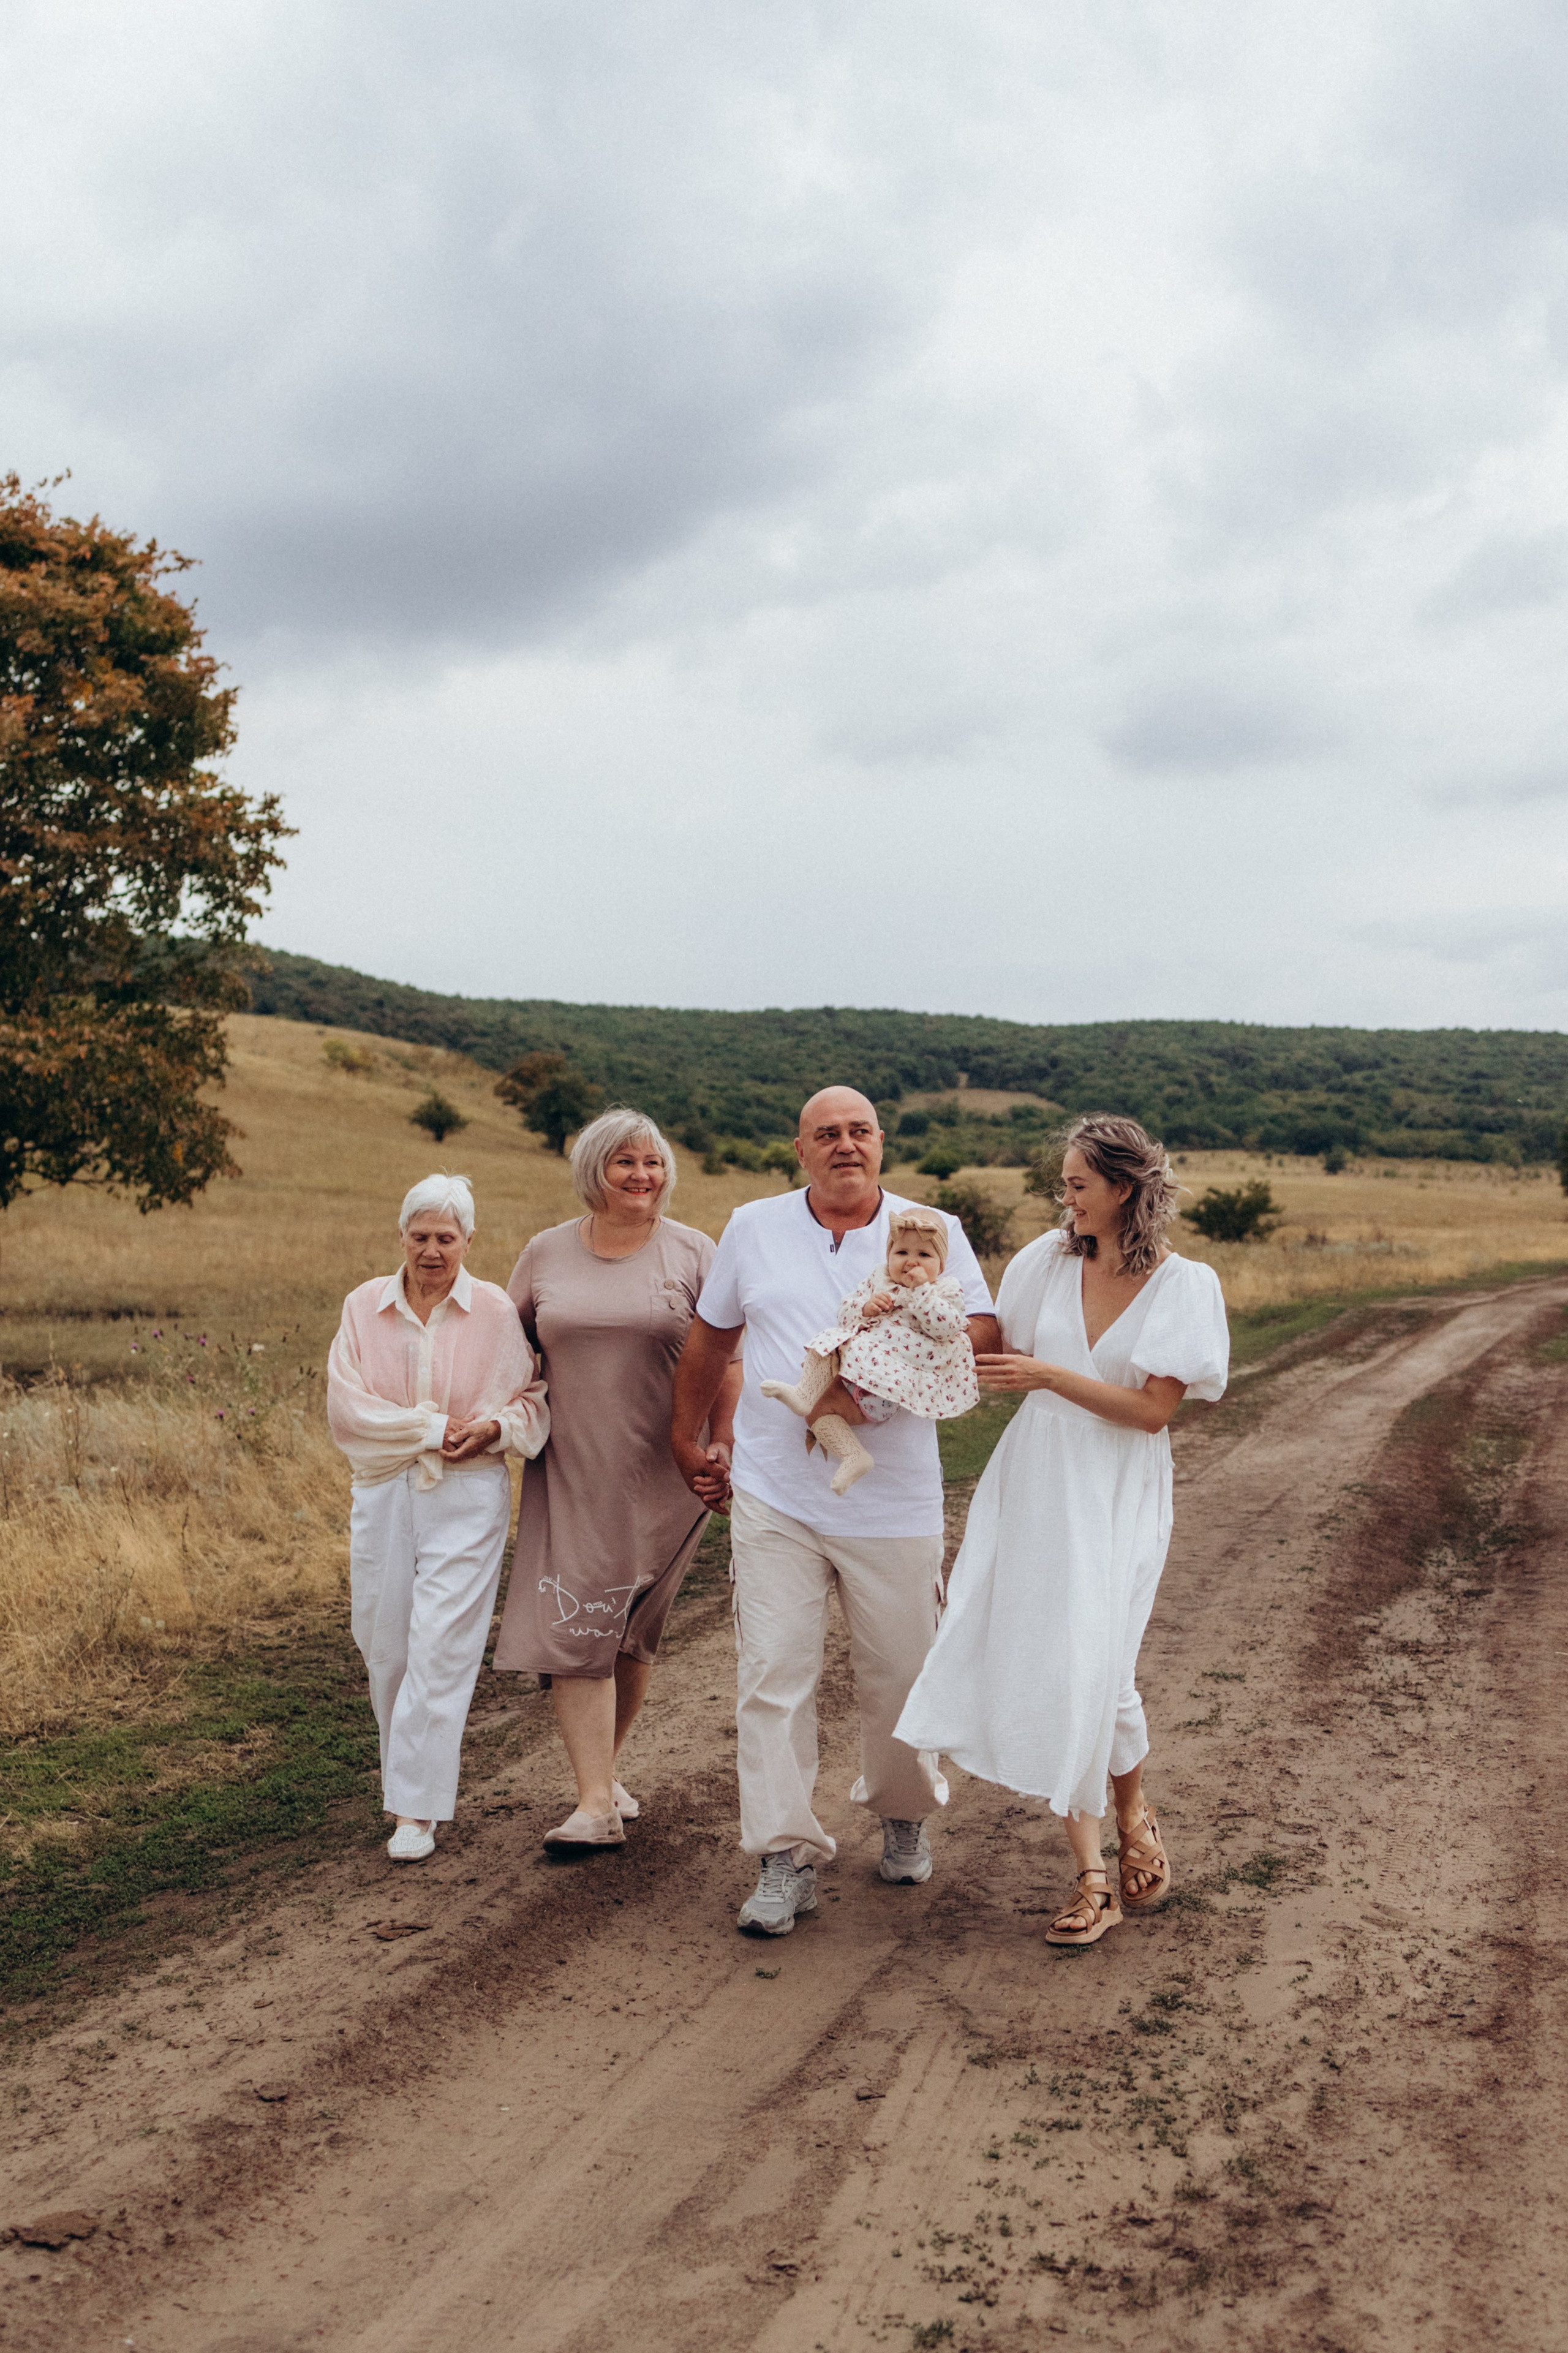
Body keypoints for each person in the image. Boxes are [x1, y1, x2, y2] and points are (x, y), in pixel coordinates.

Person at [894, 1115, 1229, 1946]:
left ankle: (1131, 1808)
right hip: (1035, 1477)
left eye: (1079, 1184)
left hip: (1116, 1484)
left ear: (1122, 1189)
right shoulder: (1042, 1263)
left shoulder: (1184, 1285)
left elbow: (1153, 1411)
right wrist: (903, 1313)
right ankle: (1090, 1878)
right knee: (1056, 1659)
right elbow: (989, 1348)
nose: (1065, 1197)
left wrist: (1049, 1374)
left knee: (1103, 1667)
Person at [671, 1087, 999, 1936]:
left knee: (900, 1673)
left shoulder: (934, 1227)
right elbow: (713, 1336)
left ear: (881, 1144)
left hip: (892, 1499)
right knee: (772, 1672)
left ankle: (902, 1813)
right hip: (776, 1491)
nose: (844, 1145)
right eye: (827, 1135)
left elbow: (984, 1331)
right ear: (802, 1149)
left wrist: (883, 1384)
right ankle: (784, 1856)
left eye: (858, 1132)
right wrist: (688, 1440)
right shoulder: (753, 1225)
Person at [492, 1108, 741, 1851]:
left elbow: (729, 1361)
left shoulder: (696, 1251)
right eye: (624, 1163)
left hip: (669, 1469)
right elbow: (507, 1348)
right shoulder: (545, 1252)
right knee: (580, 1623)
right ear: (593, 1170)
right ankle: (595, 1803)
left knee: (630, 1629)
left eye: (653, 1163)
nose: (642, 1176)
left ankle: (604, 1774)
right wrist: (488, 1422)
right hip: (571, 1467)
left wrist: (722, 1442)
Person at [327, 1174, 549, 1862]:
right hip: (385, 1493)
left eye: (445, 1238)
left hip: (467, 1495)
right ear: (402, 1237)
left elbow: (532, 1398)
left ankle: (416, 1812)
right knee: (385, 1642)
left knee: (441, 1647)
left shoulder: (491, 1310)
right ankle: (403, 1790)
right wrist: (430, 1428)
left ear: (468, 1241)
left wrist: (492, 1430)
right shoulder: (365, 1305)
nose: (431, 1250)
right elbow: (349, 1413)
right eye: (420, 1236)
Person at [760, 1204, 979, 1492]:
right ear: (888, 1255)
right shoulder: (879, 1281)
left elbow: (948, 1326)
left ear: (942, 1264)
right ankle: (851, 1452)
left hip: (889, 1385)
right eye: (901, 1253)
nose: (911, 1262)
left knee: (835, 1344)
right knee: (820, 1392)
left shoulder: (944, 1291)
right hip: (855, 1375)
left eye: (924, 1255)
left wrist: (921, 1293)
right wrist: (866, 1307)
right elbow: (846, 1311)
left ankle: (812, 1399)